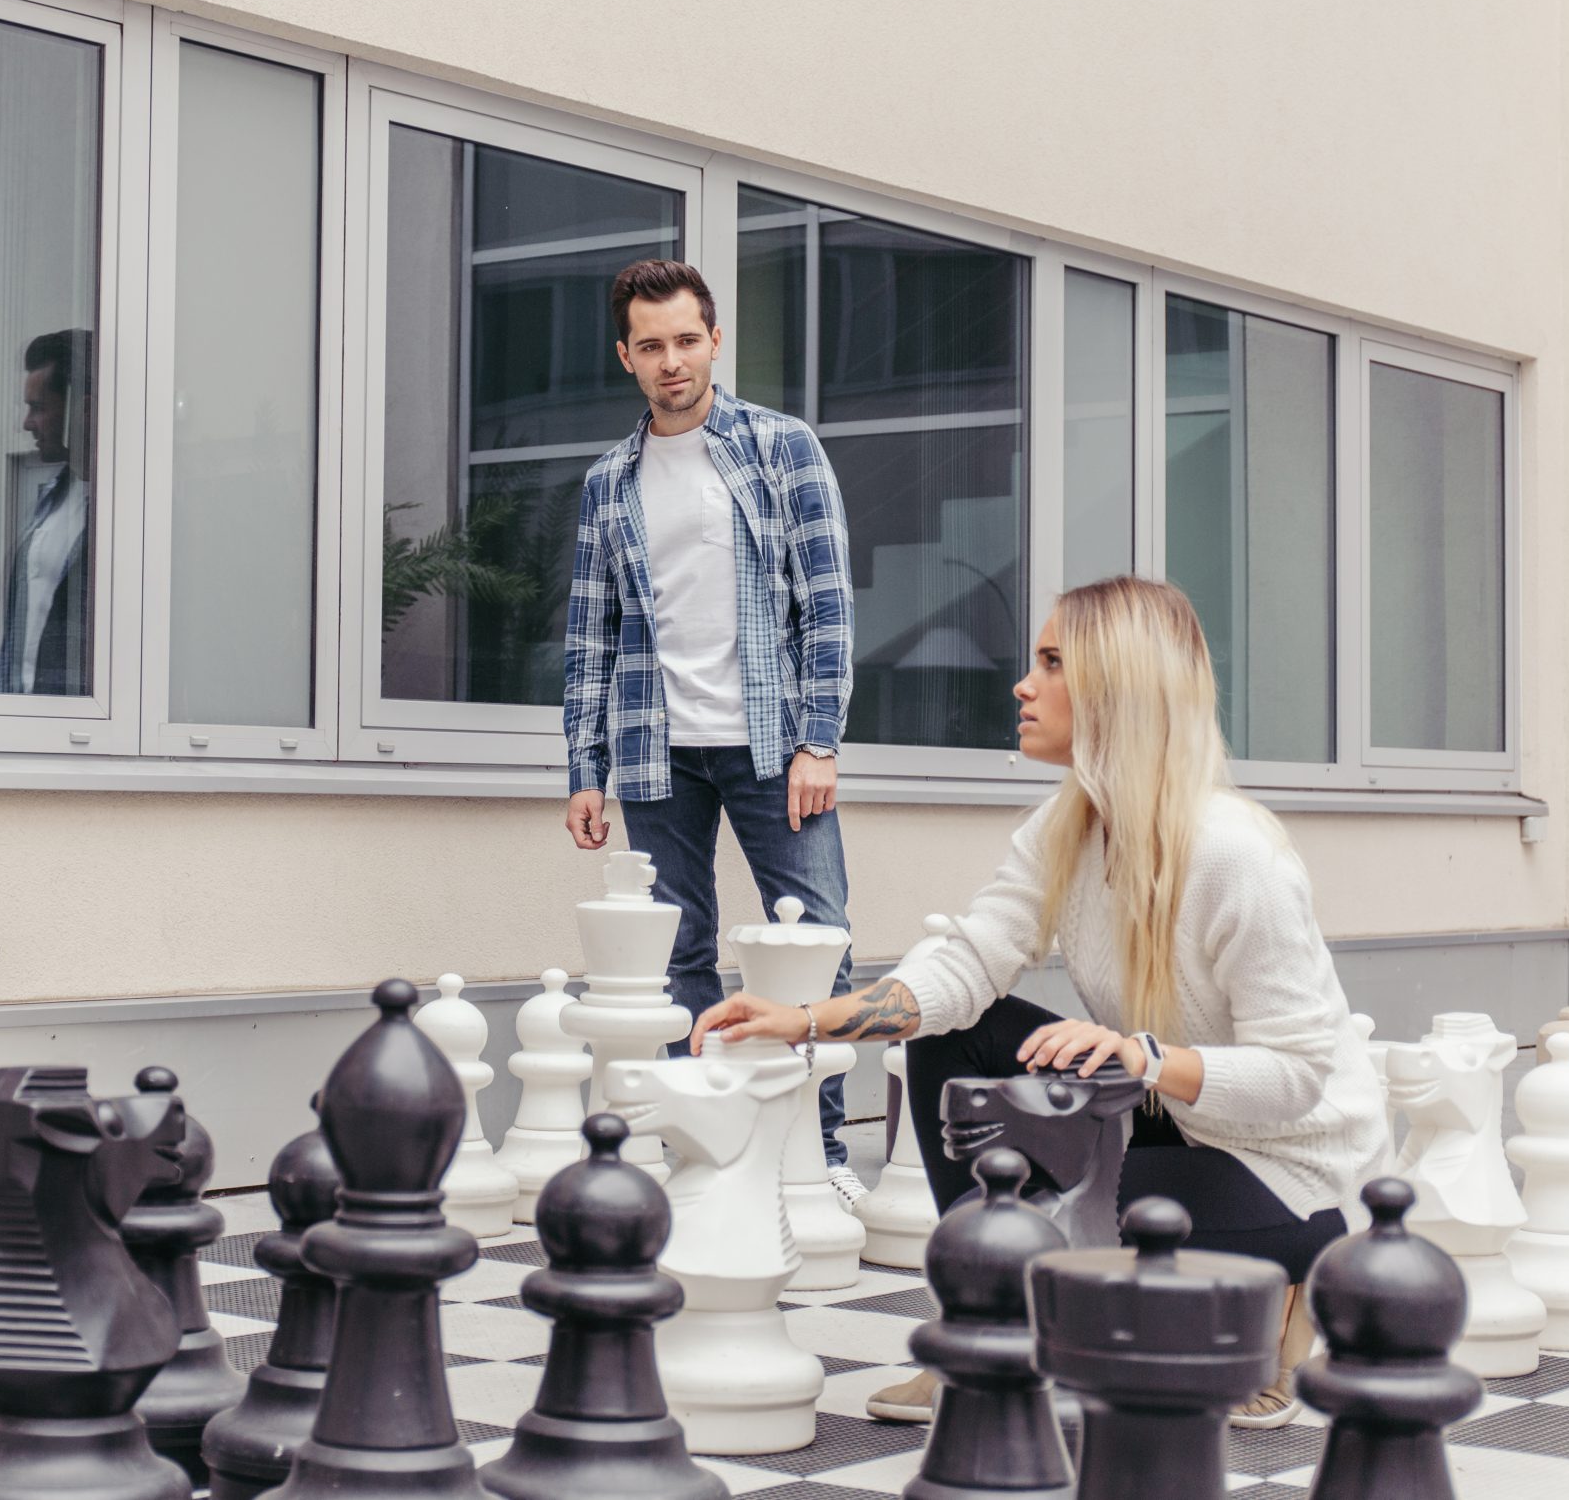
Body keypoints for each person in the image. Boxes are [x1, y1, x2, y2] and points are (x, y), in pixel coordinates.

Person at [693, 575, 1388, 1430]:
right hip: (1162, 1116)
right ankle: (991, 1319)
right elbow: (972, 961)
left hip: (1293, 1167)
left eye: (1053, 663)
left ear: (1115, 687)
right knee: (957, 1036)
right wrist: (806, 1019)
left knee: (1126, 1217)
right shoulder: (1065, 828)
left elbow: (1300, 1076)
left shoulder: (1235, 855)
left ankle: (1279, 1300)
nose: (1023, 684)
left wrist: (1143, 1057)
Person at [563, 259, 862, 1198]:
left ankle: (821, 1156)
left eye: (687, 339)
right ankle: (709, 1147)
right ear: (626, 357)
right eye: (650, 345)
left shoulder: (782, 448)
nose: (672, 360)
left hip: (774, 748)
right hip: (657, 751)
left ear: (715, 340)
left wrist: (820, 739)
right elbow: (589, 634)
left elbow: (827, 606)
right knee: (679, 954)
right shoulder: (609, 481)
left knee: (817, 939)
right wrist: (586, 767)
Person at [0, 327, 95, 697]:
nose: (27, 423)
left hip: (75, 739)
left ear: (82, 409)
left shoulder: (127, 517)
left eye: (38, 407)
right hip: (22, 727)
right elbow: (17, 644)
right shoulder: (52, 498)